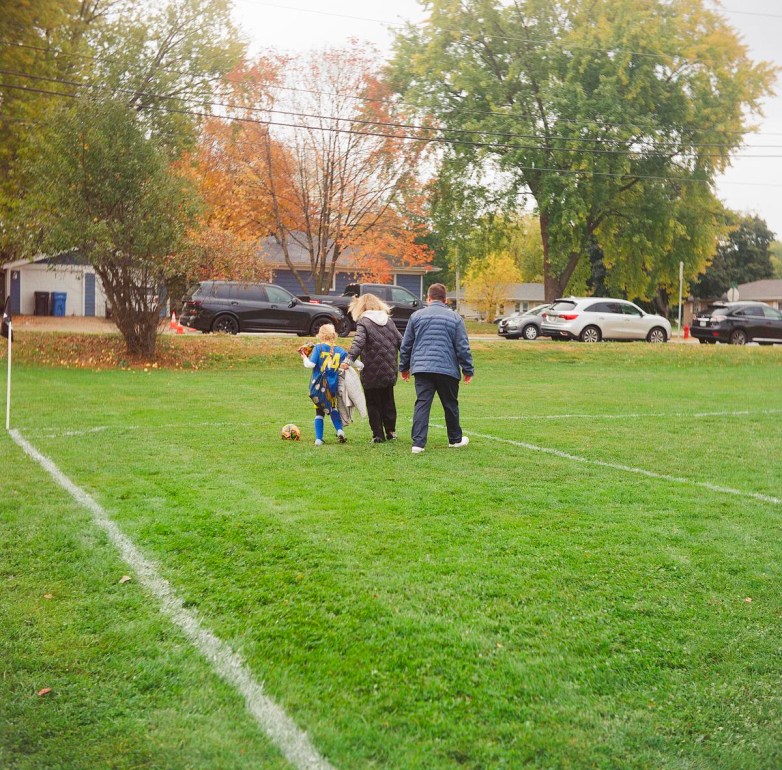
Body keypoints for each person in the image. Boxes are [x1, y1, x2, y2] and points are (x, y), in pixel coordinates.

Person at [399, 283, 474, 454]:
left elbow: (406, 344)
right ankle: (455, 439)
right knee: (450, 404)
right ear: (445, 299)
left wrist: (404, 367)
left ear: (428, 298)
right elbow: (462, 346)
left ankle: (418, 444)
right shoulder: (455, 318)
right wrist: (467, 369)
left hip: (422, 368)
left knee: (422, 404)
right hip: (447, 367)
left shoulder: (416, 316)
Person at [341, 293, 402, 443]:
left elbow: (358, 343)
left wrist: (349, 359)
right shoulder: (389, 321)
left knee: (373, 402)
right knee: (388, 400)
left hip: (371, 370)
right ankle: (391, 431)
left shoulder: (364, 322)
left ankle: (378, 435)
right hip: (389, 369)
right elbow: (401, 342)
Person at [299, 324, 349, 446]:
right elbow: (349, 363)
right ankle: (340, 430)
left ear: (321, 335)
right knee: (332, 409)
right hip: (331, 387)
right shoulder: (341, 351)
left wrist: (304, 356)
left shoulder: (319, 348)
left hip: (318, 387)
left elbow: (310, 365)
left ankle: (318, 439)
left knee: (319, 412)